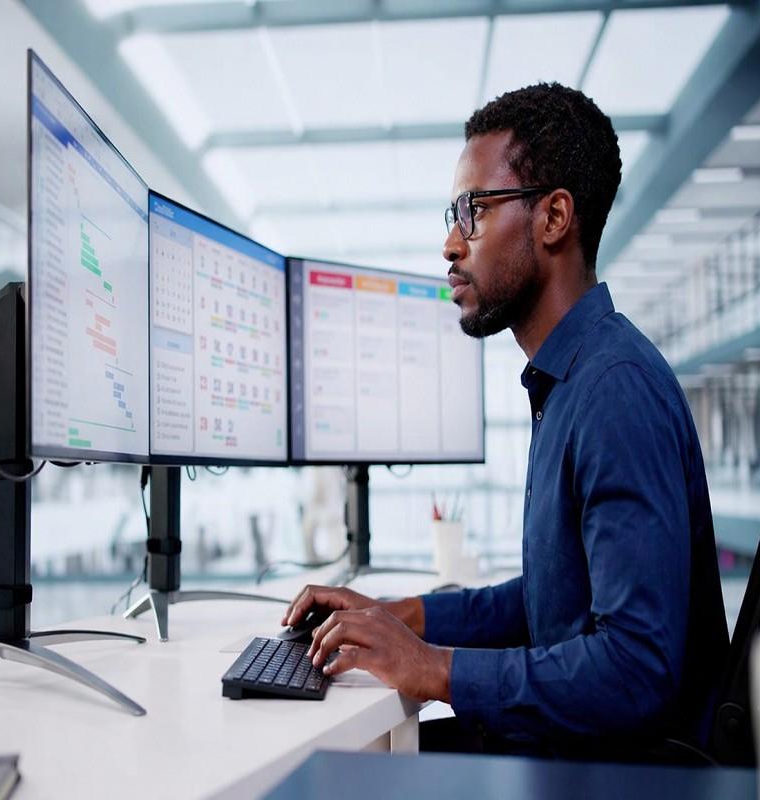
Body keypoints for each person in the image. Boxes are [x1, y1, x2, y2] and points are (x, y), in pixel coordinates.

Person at [282, 83, 730, 759]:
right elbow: (555, 599)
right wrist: (402, 617)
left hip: (621, 774)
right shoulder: (574, 379)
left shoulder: (614, 391)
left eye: (474, 211)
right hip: (588, 753)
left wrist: (436, 669)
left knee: (334, 775)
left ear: (554, 217)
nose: (450, 244)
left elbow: (636, 667)